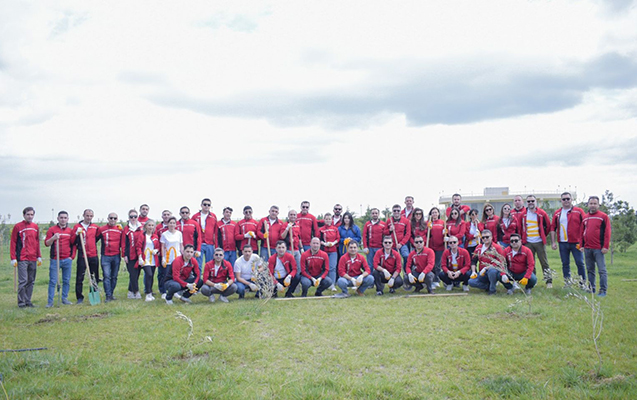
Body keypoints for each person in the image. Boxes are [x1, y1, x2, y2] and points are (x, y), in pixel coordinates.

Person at [550, 192, 585, 283]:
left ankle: (583, 283)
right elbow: (553, 228)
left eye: (568, 199)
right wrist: (553, 242)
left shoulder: (579, 211)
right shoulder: (557, 213)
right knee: (565, 264)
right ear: (561, 201)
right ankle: (567, 283)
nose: (566, 201)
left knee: (580, 263)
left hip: (576, 242)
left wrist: (584, 241)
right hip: (563, 243)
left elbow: (585, 225)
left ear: (571, 199)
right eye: (564, 199)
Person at [10, 207, 42, 308]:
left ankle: (28, 300)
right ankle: (21, 302)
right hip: (22, 257)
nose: (30, 216)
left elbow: (37, 242)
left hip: (33, 257)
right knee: (23, 281)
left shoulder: (35, 227)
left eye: (32, 214)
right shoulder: (18, 227)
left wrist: (39, 256)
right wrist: (13, 257)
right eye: (28, 214)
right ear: (24, 215)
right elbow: (13, 242)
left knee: (31, 281)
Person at [580, 196, 611, 296]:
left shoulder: (603, 217)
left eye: (595, 204)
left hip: (599, 248)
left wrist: (605, 246)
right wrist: (582, 245)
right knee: (590, 270)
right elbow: (582, 232)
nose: (592, 205)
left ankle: (603, 290)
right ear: (588, 205)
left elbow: (607, 232)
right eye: (591, 203)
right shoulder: (585, 217)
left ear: (598, 205)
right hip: (587, 248)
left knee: (602, 270)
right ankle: (591, 288)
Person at [518, 195, 552, 288]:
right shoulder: (523, 214)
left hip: (539, 242)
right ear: (526, 203)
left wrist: (543, 235)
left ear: (536, 202)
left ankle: (549, 281)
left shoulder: (541, 213)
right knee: (530, 263)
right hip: (528, 242)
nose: (530, 203)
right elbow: (520, 228)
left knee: (544, 262)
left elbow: (548, 226)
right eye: (528, 201)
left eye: (532, 201)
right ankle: (533, 280)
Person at [44, 211, 74, 307]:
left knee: (66, 280)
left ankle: (64, 298)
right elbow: (47, 243)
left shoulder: (70, 231)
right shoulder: (52, 230)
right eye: (61, 217)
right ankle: (50, 302)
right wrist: (53, 238)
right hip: (55, 259)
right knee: (53, 281)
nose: (63, 219)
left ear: (67, 219)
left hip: (67, 259)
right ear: (58, 218)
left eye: (65, 218)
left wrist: (71, 257)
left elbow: (74, 245)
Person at [72, 209, 100, 304]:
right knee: (80, 277)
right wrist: (76, 234)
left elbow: (97, 237)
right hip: (82, 255)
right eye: (87, 215)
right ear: (83, 215)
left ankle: (94, 293)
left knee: (94, 276)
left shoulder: (95, 227)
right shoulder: (77, 227)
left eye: (91, 216)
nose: (89, 217)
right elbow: (72, 241)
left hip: (93, 254)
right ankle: (79, 297)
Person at [468, 229, 507, 295]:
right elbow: (474, 261)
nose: (485, 239)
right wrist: (473, 272)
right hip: (482, 273)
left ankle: (492, 290)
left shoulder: (497, 247)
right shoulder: (478, 247)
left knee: (492, 271)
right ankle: (487, 286)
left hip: (494, 271)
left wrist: (486, 268)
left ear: (491, 237)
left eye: (487, 237)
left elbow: (499, 261)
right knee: (471, 282)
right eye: (483, 237)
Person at [97, 212, 123, 302]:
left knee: (114, 276)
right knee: (106, 276)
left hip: (116, 256)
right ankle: (108, 295)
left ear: (117, 219)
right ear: (108, 219)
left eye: (115, 218)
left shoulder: (119, 229)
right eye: (111, 218)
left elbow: (123, 242)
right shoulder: (102, 229)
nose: (112, 220)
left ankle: (111, 293)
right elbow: (94, 239)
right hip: (105, 256)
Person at [121, 209, 144, 299]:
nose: (133, 218)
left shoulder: (141, 228)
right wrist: (124, 255)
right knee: (133, 274)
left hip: (140, 254)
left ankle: (130, 291)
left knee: (137, 274)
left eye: (135, 216)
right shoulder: (126, 229)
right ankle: (136, 292)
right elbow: (123, 243)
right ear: (129, 218)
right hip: (130, 255)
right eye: (131, 217)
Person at [160, 216, 184, 299]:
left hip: (177, 257)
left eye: (174, 223)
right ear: (168, 224)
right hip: (168, 258)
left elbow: (181, 245)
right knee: (166, 275)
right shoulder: (164, 234)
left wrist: (183, 255)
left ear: (176, 224)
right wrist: (163, 258)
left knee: (177, 275)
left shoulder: (179, 233)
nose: (172, 224)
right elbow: (162, 247)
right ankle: (164, 292)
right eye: (170, 223)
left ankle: (175, 291)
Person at [136, 219, 160, 301]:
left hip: (152, 259)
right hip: (145, 258)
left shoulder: (155, 236)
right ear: (145, 226)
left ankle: (150, 292)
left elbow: (158, 246)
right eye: (149, 225)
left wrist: (156, 250)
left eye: (152, 225)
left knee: (152, 275)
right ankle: (147, 293)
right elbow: (138, 247)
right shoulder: (142, 236)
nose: (151, 227)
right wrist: (140, 257)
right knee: (148, 274)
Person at [192, 199, 218, 267]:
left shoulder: (213, 216)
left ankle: (208, 274)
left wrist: (216, 245)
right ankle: (198, 274)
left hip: (210, 244)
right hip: (199, 244)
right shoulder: (195, 216)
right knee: (198, 264)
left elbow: (215, 232)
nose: (206, 206)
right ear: (201, 205)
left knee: (210, 264)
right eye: (205, 204)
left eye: (208, 205)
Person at [319, 213, 340, 291]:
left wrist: (333, 243)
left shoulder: (335, 229)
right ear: (324, 220)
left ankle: (332, 285)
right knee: (325, 268)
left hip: (333, 251)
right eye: (326, 219)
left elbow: (338, 238)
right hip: (324, 251)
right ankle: (325, 284)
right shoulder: (321, 229)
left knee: (332, 268)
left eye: (329, 219)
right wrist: (324, 243)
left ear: (332, 220)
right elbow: (318, 239)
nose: (328, 220)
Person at [426, 207, 446, 286]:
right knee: (432, 264)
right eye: (433, 212)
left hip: (440, 247)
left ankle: (437, 280)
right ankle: (431, 279)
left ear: (438, 213)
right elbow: (426, 234)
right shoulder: (429, 222)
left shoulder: (442, 222)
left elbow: (445, 233)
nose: (434, 214)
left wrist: (445, 233)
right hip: (431, 246)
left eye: (436, 212)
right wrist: (428, 228)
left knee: (438, 264)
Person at [155, 210, 173, 294]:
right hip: (162, 253)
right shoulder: (158, 227)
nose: (166, 216)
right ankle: (162, 289)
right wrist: (158, 250)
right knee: (161, 273)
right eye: (164, 215)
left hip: (172, 253)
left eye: (168, 214)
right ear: (162, 216)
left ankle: (172, 288)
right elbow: (156, 238)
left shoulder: (174, 226)